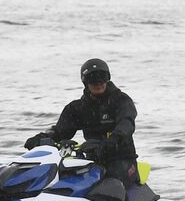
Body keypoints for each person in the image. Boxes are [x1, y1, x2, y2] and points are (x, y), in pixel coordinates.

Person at [25, 58, 139, 186]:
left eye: (102, 77)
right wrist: (42, 138)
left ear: (108, 79)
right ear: (85, 82)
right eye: (92, 79)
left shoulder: (121, 100)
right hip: (93, 159)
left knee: (113, 186)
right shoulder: (78, 108)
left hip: (121, 159)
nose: (98, 83)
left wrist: (113, 140)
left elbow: (127, 123)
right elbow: (60, 131)